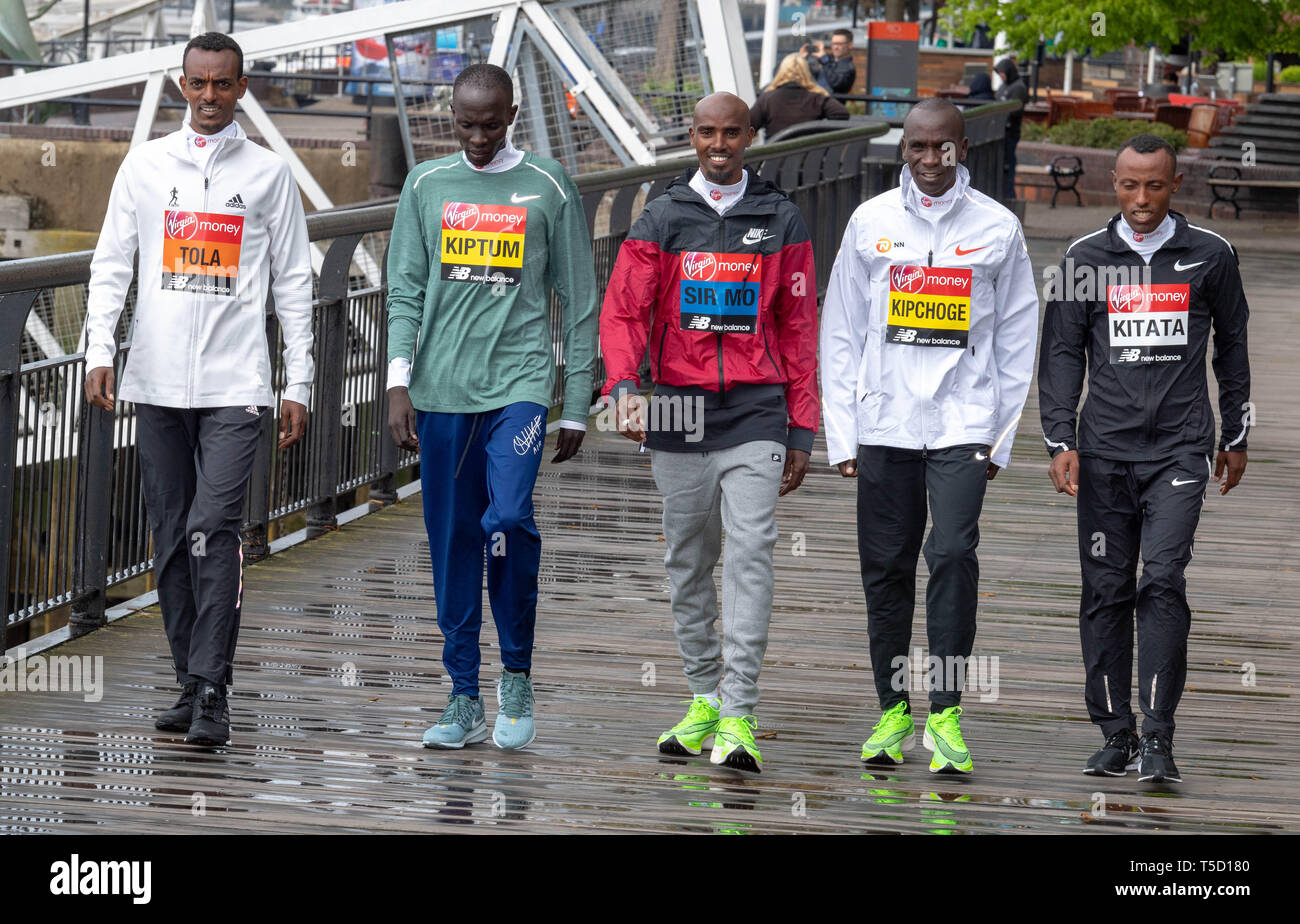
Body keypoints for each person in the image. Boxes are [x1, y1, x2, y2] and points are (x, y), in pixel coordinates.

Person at [83, 32, 314, 747]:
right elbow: (112, 264)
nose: (209, 97)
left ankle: (213, 685)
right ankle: (190, 679)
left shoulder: (270, 175)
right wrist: (99, 348)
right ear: (181, 86)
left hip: (235, 386)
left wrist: (296, 381)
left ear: (242, 87)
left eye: (222, 85)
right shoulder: (146, 167)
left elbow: (295, 284)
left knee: (213, 532)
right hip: (154, 384)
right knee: (171, 538)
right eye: (197, 84)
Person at [599, 92, 819, 773]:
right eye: (707, 133)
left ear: (750, 135)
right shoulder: (662, 217)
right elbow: (624, 313)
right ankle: (702, 695)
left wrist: (803, 426)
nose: (719, 145)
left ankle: (738, 712)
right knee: (688, 560)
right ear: (691, 136)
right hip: (676, 409)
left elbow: (798, 329)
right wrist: (623, 389)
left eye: (732, 133)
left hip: (756, 408)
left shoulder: (779, 218)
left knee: (752, 552)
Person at [819, 99, 1038, 774]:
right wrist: (843, 433)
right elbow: (842, 331)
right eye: (917, 147)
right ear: (904, 151)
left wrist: (999, 437)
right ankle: (892, 709)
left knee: (951, 554)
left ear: (963, 149)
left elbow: (1017, 336)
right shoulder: (870, 223)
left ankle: (945, 712)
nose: (930, 158)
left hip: (962, 423)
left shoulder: (998, 228)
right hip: (883, 424)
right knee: (885, 568)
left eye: (942, 147)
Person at [385, 63, 598, 751]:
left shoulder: (546, 186)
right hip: (441, 392)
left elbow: (579, 298)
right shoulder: (425, 186)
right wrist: (396, 383)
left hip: (520, 388)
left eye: (491, 123)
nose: (478, 137)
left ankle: (517, 674)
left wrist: (576, 403)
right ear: (452, 118)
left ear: (512, 116)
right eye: (465, 125)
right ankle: (463, 696)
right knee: (453, 546)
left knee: (506, 518)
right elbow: (405, 291)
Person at [1038, 134, 1250, 784]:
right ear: (1114, 183)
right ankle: (1115, 731)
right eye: (1129, 185)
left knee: (1161, 579)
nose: (1140, 199)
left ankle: (1158, 736)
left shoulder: (1211, 255)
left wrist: (1235, 437)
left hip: (1181, 451)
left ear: (1174, 183)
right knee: (1106, 588)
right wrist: (1059, 439)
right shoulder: (1085, 258)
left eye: (1153, 185)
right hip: (1103, 452)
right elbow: (1062, 353)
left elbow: (1234, 348)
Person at [750, 53, 849, 138]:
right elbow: (841, 113)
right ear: (807, 72)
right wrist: (820, 130)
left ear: (780, 72)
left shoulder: (767, 98)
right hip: (810, 156)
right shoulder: (818, 98)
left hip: (775, 156)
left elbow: (749, 125)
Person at [994, 58, 1027, 201]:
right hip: (1000, 131)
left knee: (1008, 164)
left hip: (1010, 132)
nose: (1001, 76)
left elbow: (1015, 110)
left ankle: (1009, 196)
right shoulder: (1004, 86)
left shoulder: (1018, 87)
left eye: (1002, 73)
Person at [803, 28, 856, 96]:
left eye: (839, 44)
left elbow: (836, 84)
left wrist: (824, 59)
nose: (835, 47)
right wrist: (803, 59)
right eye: (833, 43)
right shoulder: (829, 61)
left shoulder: (849, 67)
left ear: (850, 45)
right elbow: (813, 76)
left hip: (830, 105)